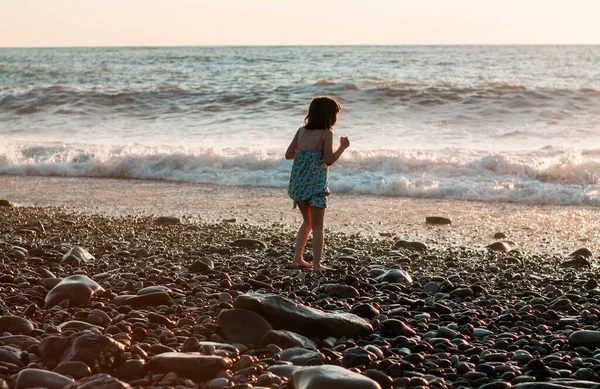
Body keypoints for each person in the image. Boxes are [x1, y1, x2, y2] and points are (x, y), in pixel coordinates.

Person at [285, 96, 350, 270]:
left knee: (307, 222)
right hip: (316, 187)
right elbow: (328, 160)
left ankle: (297, 259)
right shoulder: (326, 134)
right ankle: (316, 265)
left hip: (298, 185)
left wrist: (305, 155)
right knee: (318, 226)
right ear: (329, 116)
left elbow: (289, 154)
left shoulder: (301, 132)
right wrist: (342, 148)